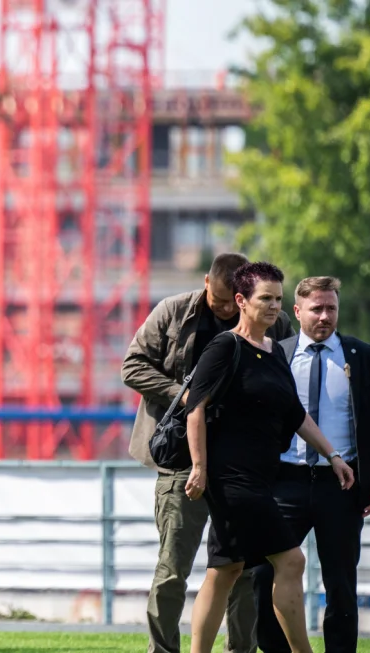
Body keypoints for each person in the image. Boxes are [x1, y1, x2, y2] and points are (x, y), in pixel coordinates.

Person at [122, 252, 294, 653]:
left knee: (245, 570)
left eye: (228, 300)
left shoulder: (275, 320)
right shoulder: (173, 311)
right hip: (184, 462)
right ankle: (163, 651)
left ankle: (240, 650)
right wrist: (183, 396)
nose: (220, 307)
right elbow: (133, 365)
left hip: (242, 466)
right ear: (206, 283)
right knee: (172, 569)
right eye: (216, 299)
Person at [182, 262, 354, 653]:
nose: (274, 306)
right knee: (291, 560)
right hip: (230, 479)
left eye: (278, 298)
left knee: (225, 569)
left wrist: (333, 456)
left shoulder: (274, 349)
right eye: (266, 298)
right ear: (241, 301)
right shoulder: (226, 346)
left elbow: (295, 414)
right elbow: (195, 409)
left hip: (260, 477)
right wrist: (199, 468)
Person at [252, 276, 370, 653]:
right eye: (317, 309)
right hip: (283, 482)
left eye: (331, 308)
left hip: (342, 485)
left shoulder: (364, 356)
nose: (324, 316)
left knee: (340, 583)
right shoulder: (275, 354)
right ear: (297, 311)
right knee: (265, 576)